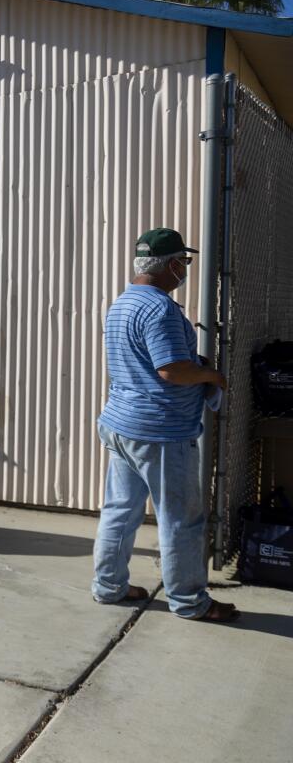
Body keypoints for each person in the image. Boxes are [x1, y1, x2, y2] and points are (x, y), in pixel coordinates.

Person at [93, 227, 238, 622]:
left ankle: (109, 587)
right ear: (172, 265)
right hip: (159, 432)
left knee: (120, 511)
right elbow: (171, 370)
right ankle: (190, 601)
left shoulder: (121, 304)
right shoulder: (159, 309)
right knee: (181, 520)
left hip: (121, 424)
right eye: (184, 263)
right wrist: (213, 377)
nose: (185, 271)